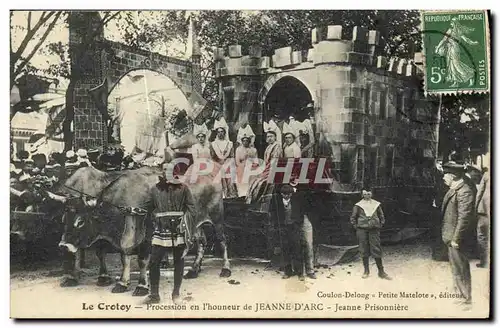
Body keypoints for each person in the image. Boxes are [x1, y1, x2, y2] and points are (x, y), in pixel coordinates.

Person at [144, 165, 196, 304]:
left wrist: (185, 224)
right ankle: (154, 294)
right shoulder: (155, 189)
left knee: (179, 262)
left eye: (170, 170)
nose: (167, 172)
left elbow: (192, 209)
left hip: (179, 229)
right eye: (164, 170)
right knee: (154, 262)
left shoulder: (183, 188)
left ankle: (176, 294)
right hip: (161, 229)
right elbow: (147, 208)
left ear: (175, 172)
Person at [441, 162, 475, 309]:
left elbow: (464, 218)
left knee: (461, 268)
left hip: (456, 238)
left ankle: (466, 299)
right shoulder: (454, 189)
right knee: (455, 269)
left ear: (453, 176)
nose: (443, 177)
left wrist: (456, 238)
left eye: (445, 175)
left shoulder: (464, 191)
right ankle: (459, 296)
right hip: (450, 236)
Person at [270, 183, 310, 281]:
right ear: (281, 194)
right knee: (285, 250)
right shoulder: (276, 201)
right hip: (283, 228)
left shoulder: (296, 201)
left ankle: (300, 273)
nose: (287, 196)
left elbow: (302, 211)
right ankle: (288, 272)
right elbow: (272, 213)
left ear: (291, 194)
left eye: (288, 194)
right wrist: (277, 225)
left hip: (294, 228)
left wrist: (298, 223)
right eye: (284, 194)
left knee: (297, 250)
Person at [350, 187, 392, 280]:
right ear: (362, 194)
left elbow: (381, 216)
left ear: (371, 194)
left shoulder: (376, 204)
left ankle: (381, 272)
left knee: (376, 249)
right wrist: (357, 227)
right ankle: (366, 271)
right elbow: (353, 218)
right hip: (362, 230)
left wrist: (379, 225)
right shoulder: (358, 205)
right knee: (364, 249)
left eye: (369, 194)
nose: (367, 196)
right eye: (365, 194)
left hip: (374, 230)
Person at [210, 117, 238, 198]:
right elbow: (212, 157)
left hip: (228, 165)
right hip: (217, 165)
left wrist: (226, 165)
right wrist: (218, 165)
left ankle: (230, 195)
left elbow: (232, 156)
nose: (220, 133)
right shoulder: (213, 144)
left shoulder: (229, 143)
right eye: (218, 132)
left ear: (225, 132)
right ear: (216, 133)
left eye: (222, 131)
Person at [235, 124, 258, 197]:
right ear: (241, 141)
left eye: (247, 140)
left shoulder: (253, 150)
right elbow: (237, 162)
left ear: (249, 141)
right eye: (243, 141)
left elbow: (256, 161)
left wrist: (251, 165)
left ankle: (250, 195)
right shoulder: (238, 150)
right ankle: (242, 195)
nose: (245, 142)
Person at [475, 169, 490, 268]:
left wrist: (475, 208)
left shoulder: (487, 174)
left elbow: (480, 192)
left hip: (484, 210)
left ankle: (484, 261)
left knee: (482, 236)